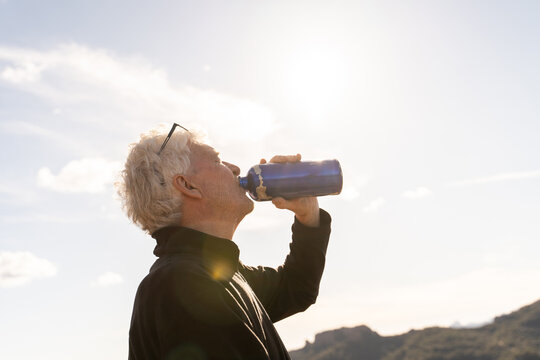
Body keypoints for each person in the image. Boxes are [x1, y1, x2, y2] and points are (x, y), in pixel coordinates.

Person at [117, 125, 332, 360]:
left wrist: (308, 214)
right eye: (217, 161)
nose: (235, 168)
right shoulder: (182, 284)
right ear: (188, 185)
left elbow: (297, 288)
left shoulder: (216, 273)